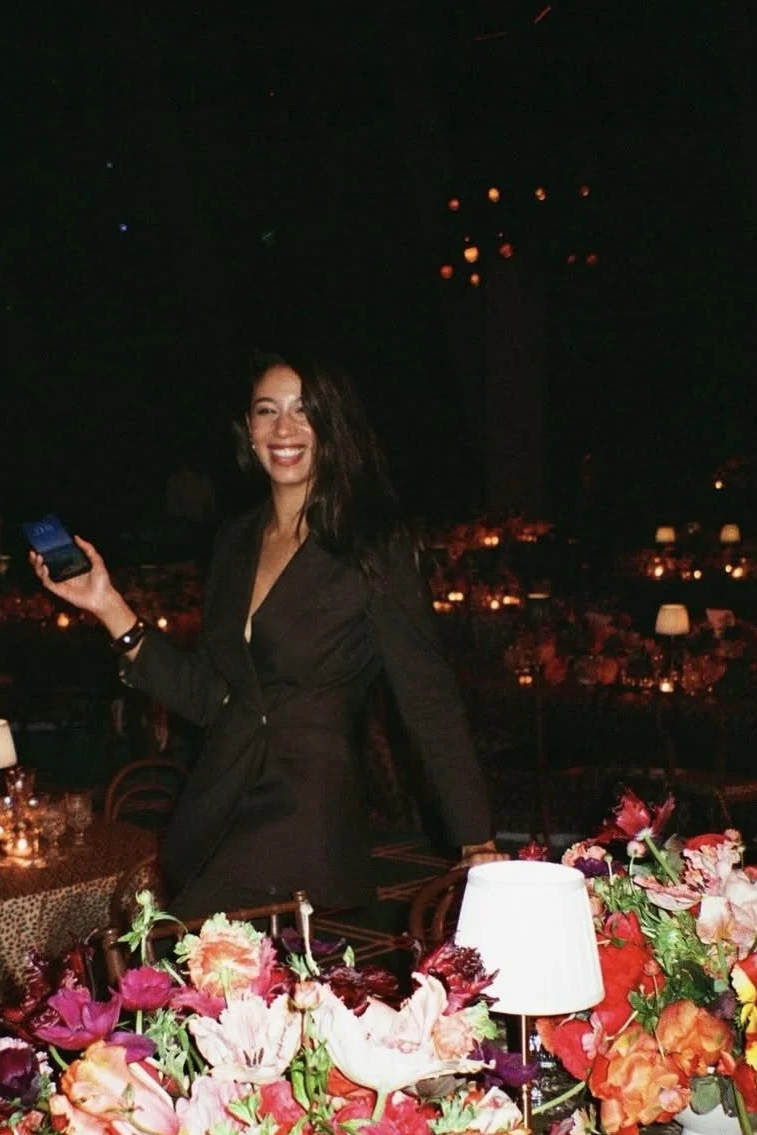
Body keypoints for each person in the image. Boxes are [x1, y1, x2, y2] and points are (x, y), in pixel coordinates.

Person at [31, 353, 495, 917]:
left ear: (333, 426)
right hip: (214, 812)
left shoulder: (372, 544)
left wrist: (475, 838)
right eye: (266, 411)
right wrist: (107, 605)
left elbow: (428, 696)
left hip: (307, 824)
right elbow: (210, 696)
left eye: (305, 411)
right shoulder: (235, 542)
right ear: (248, 431)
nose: (284, 429)